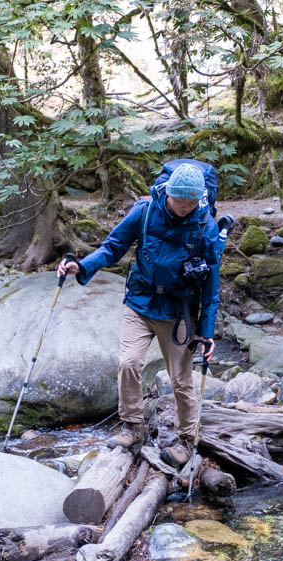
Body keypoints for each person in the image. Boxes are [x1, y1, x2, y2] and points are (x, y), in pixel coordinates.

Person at [57, 163, 220, 468]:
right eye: (179, 201)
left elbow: (211, 283)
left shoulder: (205, 226)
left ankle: (187, 440)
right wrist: (82, 265)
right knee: (128, 363)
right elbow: (113, 246)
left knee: (182, 381)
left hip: (178, 311)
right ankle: (133, 426)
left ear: (199, 199)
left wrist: (206, 330)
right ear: (168, 193)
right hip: (140, 303)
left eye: (191, 202)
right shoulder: (144, 212)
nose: (184, 208)